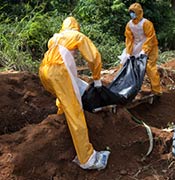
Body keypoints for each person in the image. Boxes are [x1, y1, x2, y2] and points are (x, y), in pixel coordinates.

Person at [39, 16, 110, 170]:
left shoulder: (54, 38)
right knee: (75, 111)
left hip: (44, 72)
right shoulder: (76, 36)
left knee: (63, 97)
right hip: (59, 73)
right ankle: (87, 159)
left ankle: (61, 114)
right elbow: (94, 57)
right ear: (76, 27)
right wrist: (97, 79)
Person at [118, 2, 162, 96]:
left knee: (150, 67)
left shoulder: (146, 23)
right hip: (136, 45)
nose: (131, 14)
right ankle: (123, 86)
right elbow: (129, 39)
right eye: (130, 12)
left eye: (133, 12)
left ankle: (156, 90)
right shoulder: (129, 24)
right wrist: (128, 52)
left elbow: (150, 37)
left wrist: (144, 50)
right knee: (124, 63)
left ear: (138, 12)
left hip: (150, 47)